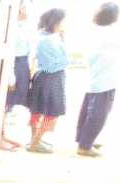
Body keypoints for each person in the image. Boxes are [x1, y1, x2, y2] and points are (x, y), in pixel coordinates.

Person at [74, 2, 120, 157]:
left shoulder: (95, 29)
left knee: (87, 111)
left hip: (95, 76)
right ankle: (85, 146)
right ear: (115, 19)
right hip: (105, 79)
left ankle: (83, 139)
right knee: (99, 114)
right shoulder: (112, 34)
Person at [26, 8, 69, 154]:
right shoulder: (50, 40)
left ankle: (34, 139)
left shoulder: (42, 36)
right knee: (51, 112)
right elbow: (62, 62)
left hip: (42, 76)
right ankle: (35, 144)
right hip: (53, 79)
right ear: (57, 23)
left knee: (37, 110)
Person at [1, 0, 33, 152]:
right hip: (14, 66)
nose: (29, 9)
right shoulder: (11, 27)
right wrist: (10, 77)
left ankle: (1, 136)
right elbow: (9, 54)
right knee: (3, 104)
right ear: (19, 9)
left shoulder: (23, 26)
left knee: (8, 105)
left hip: (22, 65)